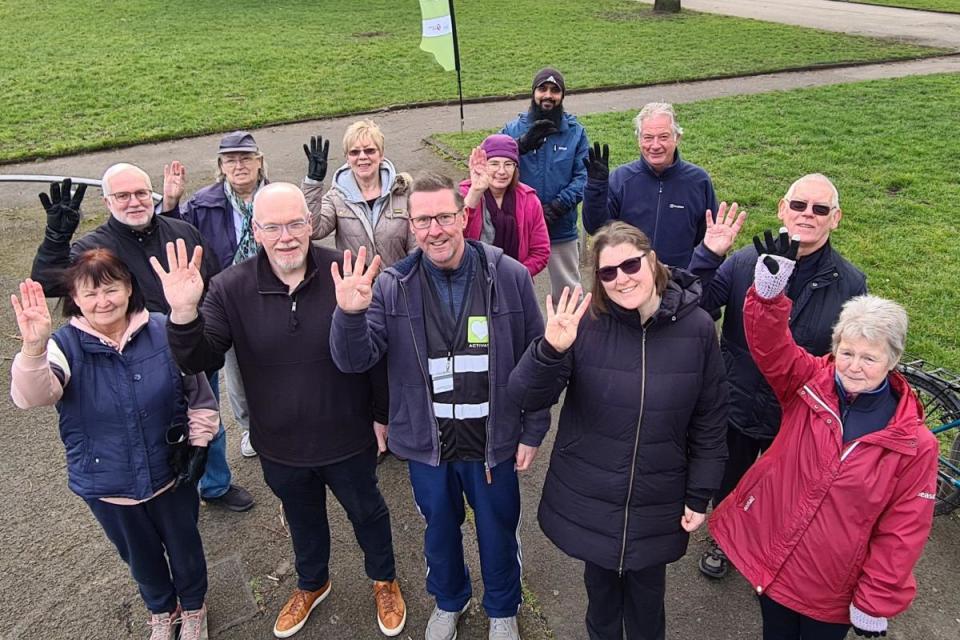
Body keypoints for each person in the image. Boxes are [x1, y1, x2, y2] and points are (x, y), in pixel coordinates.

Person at [152, 183, 405, 639]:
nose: (286, 236)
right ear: (256, 229)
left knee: (368, 512)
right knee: (302, 516)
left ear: (310, 224)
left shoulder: (344, 270)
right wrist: (184, 315)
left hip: (348, 436)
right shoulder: (230, 287)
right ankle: (313, 582)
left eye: (295, 224)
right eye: (273, 227)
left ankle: (383, 579)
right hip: (280, 443)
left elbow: (376, 355)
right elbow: (198, 360)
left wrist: (382, 416)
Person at [329, 172, 549, 640]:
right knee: (439, 533)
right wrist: (348, 314)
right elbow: (355, 359)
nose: (435, 230)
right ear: (411, 225)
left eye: (445, 217)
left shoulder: (507, 275)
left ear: (463, 216)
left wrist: (533, 429)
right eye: (423, 220)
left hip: (494, 442)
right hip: (428, 443)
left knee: (497, 531)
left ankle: (502, 609)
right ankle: (450, 601)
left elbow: (537, 358)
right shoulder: (392, 284)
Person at [709, 232, 939, 640]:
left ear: (893, 360)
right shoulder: (809, 384)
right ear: (835, 348)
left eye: (870, 358)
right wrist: (767, 298)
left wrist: (875, 600)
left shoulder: (914, 444)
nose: (854, 366)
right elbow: (772, 349)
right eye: (847, 352)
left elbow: (903, 530)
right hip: (775, 566)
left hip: (830, 590)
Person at [508, 221, 728, 640]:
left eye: (630, 265)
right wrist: (550, 350)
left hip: (658, 497)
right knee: (602, 604)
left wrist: (701, 492)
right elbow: (525, 394)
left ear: (652, 260)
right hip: (593, 495)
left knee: (648, 608)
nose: (622, 279)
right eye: (608, 273)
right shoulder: (584, 324)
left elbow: (710, 418)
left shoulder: (698, 328)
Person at [10, 249, 219, 640]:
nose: (103, 301)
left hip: (170, 475)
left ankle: (193, 607)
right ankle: (162, 609)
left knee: (186, 548)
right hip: (107, 484)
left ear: (129, 289)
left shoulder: (162, 328)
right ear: (74, 298)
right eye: (90, 294)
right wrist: (33, 348)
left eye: (111, 289)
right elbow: (31, 397)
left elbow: (200, 395)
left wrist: (200, 442)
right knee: (140, 558)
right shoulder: (62, 346)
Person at [30, 165, 254, 512]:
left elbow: (213, 284)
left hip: (189, 345)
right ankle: (168, 490)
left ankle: (215, 484)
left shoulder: (183, 232)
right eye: (123, 196)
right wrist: (55, 242)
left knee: (208, 419)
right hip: (132, 358)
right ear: (107, 201)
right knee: (150, 423)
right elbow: (48, 283)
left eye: (140, 193)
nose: (134, 202)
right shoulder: (94, 248)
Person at [688, 174, 866, 579]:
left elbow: (848, 354)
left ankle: (769, 547)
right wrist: (708, 255)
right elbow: (690, 305)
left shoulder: (850, 283)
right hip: (735, 397)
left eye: (820, 209)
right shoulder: (745, 262)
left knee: (785, 488)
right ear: (783, 209)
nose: (808, 215)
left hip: (797, 412)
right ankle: (725, 536)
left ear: (835, 219)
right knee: (729, 477)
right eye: (800, 205)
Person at [160, 130, 268, 459]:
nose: (239, 165)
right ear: (221, 165)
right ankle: (251, 425)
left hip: (275, 291)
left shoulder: (276, 196)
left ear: (259, 162)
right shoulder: (202, 204)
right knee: (237, 371)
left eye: (246, 158)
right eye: (231, 160)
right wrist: (170, 204)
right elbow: (173, 236)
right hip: (229, 298)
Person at [581, 102, 718, 268]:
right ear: (639, 140)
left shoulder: (698, 181)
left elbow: (709, 239)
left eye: (663, 137)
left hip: (681, 284)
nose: (655, 145)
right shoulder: (620, 179)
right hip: (630, 279)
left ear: (677, 138)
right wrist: (596, 189)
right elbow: (596, 229)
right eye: (648, 137)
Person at [502, 67, 589, 298]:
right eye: (542, 89)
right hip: (518, 225)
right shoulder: (512, 130)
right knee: (511, 288)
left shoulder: (575, 132)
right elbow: (490, 164)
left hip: (560, 226)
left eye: (554, 90)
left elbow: (583, 176)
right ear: (533, 92)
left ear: (562, 96)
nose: (548, 95)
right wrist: (519, 146)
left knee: (569, 292)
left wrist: (559, 206)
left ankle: (572, 334)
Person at [303, 119, 415, 267]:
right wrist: (313, 182)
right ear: (347, 159)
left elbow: (417, 246)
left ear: (381, 155)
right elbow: (314, 230)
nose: (362, 157)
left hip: (400, 285)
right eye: (354, 152)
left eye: (369, 150)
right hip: (357, 286)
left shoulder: (403, 192)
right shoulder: (336, 197)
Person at [461, 134, 550, 277]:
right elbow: (455, 236)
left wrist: (514, 276)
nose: (501, 171)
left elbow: (541, 251)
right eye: (494, 163)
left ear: (516, 168)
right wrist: (475, 193)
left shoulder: (529, 200)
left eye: (508, 164)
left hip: (514, 281)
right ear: (483, 165)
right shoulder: (465, 194)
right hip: (472, 280)